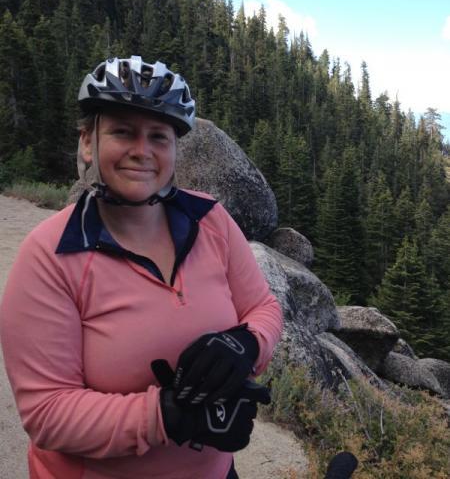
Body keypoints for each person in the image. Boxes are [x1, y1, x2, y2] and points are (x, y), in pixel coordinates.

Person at [0, 55, 283, 479]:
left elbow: (263, 306)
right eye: (122, 132)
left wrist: (246, 344)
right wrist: (170, 417)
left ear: (174, 149)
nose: (142, 151)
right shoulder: (49, 256)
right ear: (88, 142)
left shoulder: (210, 220)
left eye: (158, 136)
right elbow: (47, 413)